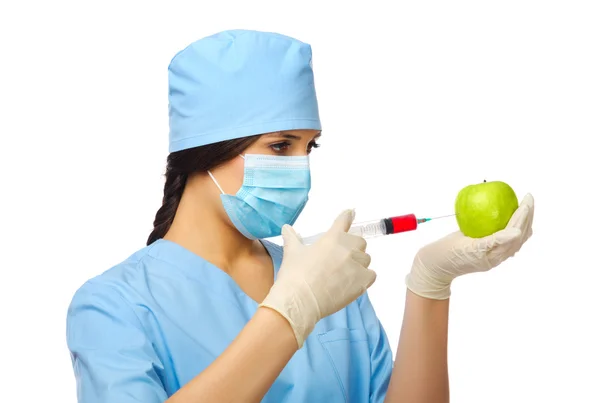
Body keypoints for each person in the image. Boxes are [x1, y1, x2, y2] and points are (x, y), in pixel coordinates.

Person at [66, 29, 535, 403]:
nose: (300, 168)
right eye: (279, 146)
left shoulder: (325, 276)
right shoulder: (111, 307)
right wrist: (290, 314)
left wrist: (429, 284)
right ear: (205, 151)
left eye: (308, 147)